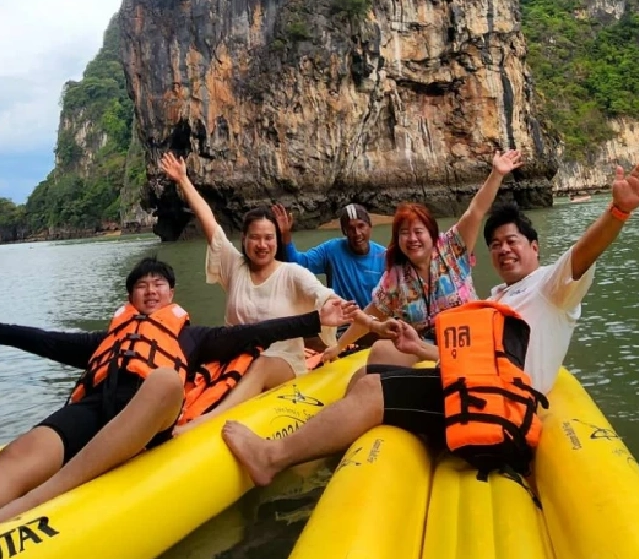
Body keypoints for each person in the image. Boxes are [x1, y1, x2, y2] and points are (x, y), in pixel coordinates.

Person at [0, 255, 358, 559]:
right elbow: (51, 341)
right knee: (21, 453)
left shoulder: (191, 337)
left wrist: (316, 318)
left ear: (172, 295)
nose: (151, 290)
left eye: (160, 285)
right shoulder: (107, 340)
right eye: (142, 286)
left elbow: (246, 336)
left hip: (147, 419)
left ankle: (30, 505)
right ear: (129, 298)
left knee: (165, 380)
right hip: (93, 412)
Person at [220, 161, 639, 487]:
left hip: (500, 408)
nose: (504, 250)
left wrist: (617, 213)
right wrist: (416, 347)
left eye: (513, 243)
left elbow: (582, 254)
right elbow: (458, 349)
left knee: (375, 388)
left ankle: (271, 457)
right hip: (477, 388)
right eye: (496, 245)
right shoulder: (496, 297)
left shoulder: (551, 286)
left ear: (535, 247)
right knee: (366, 375)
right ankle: (323, 444)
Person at [159, 153, 383, 424]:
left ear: (277, 241)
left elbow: (332, 300)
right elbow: (209, 223)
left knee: (261, 365)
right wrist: (183, 180)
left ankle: (207, 421)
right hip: (233, 358)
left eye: (269, 238)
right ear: (245, 240)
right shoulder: (234, 266)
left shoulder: (293, 274)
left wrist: (375, 326)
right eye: (255, 237)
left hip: (281, 363)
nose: (262, 244)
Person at [325, 150, 523, 366]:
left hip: (467, 339)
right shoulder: (395, 278)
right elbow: (369, 315)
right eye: (404, 233)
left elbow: (476, 210)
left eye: (418, 231)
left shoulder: (452, 247)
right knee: (380, 351)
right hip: (424, 347)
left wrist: (496, 174)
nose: (412, 239)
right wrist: (338, 347)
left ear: (431, 232)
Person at [271, 202, 386, 308]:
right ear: (344, 231)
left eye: (361, 226)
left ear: (370, 226)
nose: (357, 233)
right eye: (351, 229)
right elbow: (296, 264)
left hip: (375, 323)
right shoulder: (331, 250)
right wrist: (285, 234)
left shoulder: (384, 256)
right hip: (343, 324)